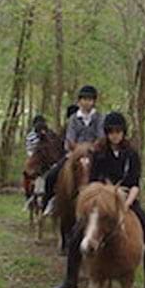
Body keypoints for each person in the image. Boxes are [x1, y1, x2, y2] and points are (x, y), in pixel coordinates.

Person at [51, 111, 145, 288]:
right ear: (106, 133)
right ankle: (70, 279)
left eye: (118, 131)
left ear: (124, 132)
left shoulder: (131, 154)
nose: (115, 135)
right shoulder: (99, 153)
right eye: (111, 131)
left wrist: (125, 204)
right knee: (76, 234)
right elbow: (93, 181)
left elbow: (134, 184)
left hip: (127, 200)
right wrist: (103, 198)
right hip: (102, 201)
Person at [42, 86, 105, 218]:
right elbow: (70, 139)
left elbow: (100, 138)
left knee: (106, 175)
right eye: (84, 99)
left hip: (93, 154)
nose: (87, 102)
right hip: (74, 153)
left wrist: (90, 148)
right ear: (79, 101)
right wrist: (79, 150)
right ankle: (50, 201)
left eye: (90, 99)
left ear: (94, 102)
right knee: (51, 176)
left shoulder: (99, 118)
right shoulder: (73, 119)